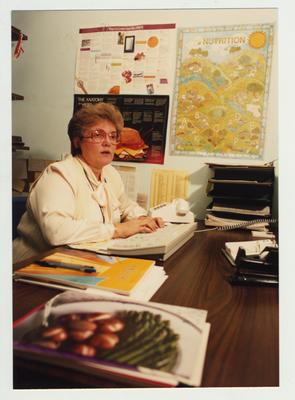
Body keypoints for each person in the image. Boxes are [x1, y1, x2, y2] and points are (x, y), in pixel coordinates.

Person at [13, 103, 164, 263]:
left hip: (85, 263)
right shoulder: (59, 174)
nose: (108, 142)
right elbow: (57, 232)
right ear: (77, 141)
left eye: (113, 136)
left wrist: (143, 220)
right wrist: (117, 230)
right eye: (98, 135)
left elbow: (126, 207)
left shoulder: (110, 174)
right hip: (30, 270)